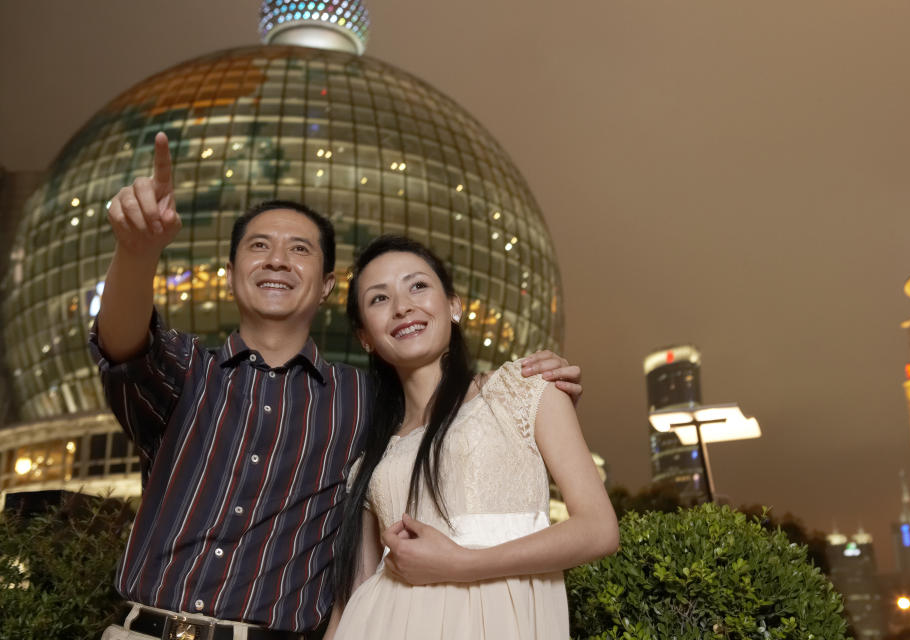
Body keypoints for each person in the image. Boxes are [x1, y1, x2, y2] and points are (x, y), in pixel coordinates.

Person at [91, 133, 584, 640]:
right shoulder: (187, 371)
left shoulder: (365, 400)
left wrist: (520, 390)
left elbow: (449, 417)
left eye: (299, 249)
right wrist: (136, 253)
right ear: (232, 270)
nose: (277, 260)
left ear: (327, 285)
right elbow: (124, 342)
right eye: (259, 246)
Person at [324, 236, 619, 639]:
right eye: (379, 299)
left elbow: (599, 529)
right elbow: (355, 593)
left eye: (418, 286)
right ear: (365, 338)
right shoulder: (372, 459)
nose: (402, 306)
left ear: (455, 306)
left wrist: (460, 564)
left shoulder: (523, 389)